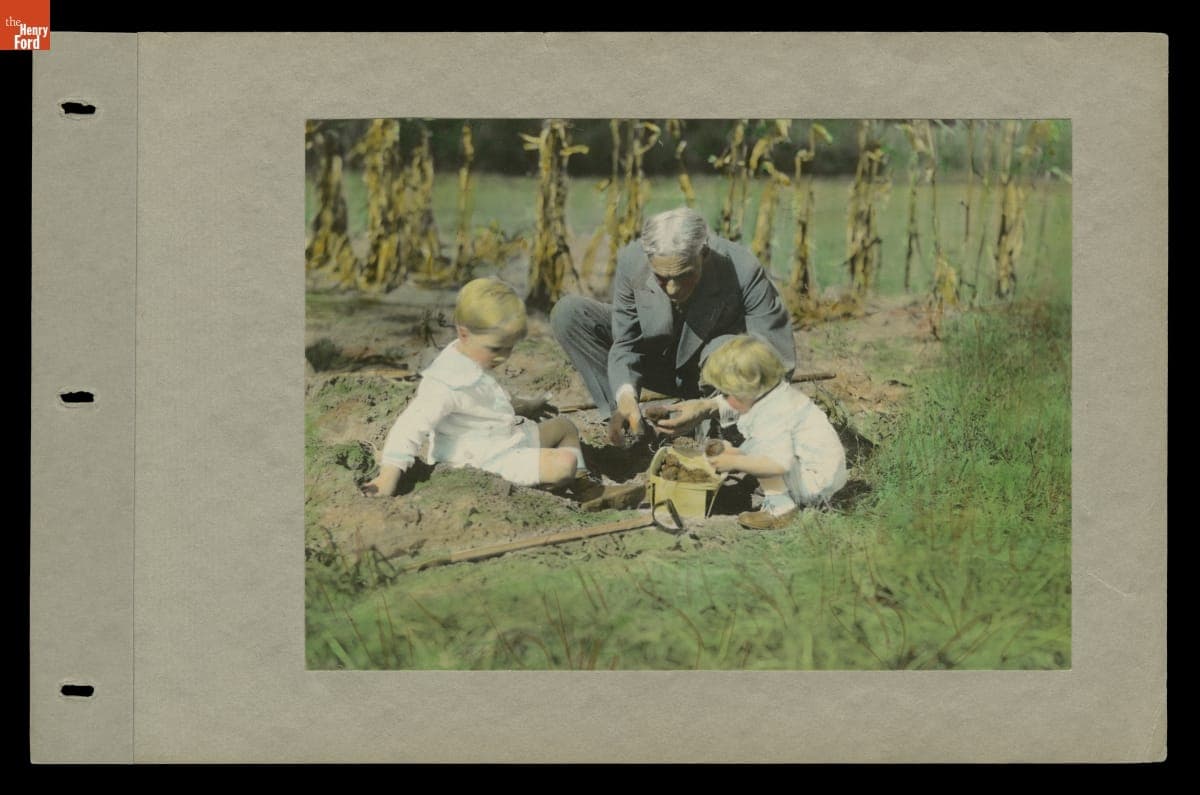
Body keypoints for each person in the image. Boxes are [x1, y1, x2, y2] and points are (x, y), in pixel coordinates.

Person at [550, 206, 796, 446]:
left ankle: (718, 429)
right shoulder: (631, 261)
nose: (673, 289)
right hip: (662, 364)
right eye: (662, 279)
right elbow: (625, 343)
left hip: (715, 377)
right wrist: (625, 396)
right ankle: (629, 425)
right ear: (648, 260)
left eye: (685, 275)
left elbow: (778, 362)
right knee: (569, 314)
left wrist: (712, 407)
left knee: (726, 350)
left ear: (704, 254)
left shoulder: (743, 269)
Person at [362, 278, 600, 499]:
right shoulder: (445, 382)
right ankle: (538, 491)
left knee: (565, 426)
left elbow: (485, 399)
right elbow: (409, 427)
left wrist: (524, 406)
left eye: (509, 348)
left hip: (502, 439)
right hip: (481, 460)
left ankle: (582, 485)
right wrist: (388, 476)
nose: (503, 357)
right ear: (463, 333)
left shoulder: (471, 356)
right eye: (496, 349)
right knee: (564, 463)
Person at [699, 335, 847, 530]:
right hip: (819, 468)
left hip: (816, 481)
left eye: (729, 394)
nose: (726, 399)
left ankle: (781, 510)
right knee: (752, 448)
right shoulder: (774, 395)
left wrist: (734, 462)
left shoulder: (773, 414)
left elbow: (776, 463)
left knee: (758, 451)